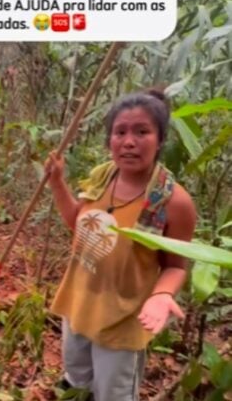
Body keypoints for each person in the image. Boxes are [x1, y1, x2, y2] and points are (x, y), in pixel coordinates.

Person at [45, 89, 197, 400]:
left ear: (160, 139)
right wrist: (58, 182)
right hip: (78, 304)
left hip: (122, 318)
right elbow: (78, 223)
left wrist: (162, 294)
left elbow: (175, 266)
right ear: (110, 139)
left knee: (112, 394)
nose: (129, 141)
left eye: (142, 131)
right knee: (77, 381)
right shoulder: (103, 176)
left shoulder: (172, 201)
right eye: (121, 132)